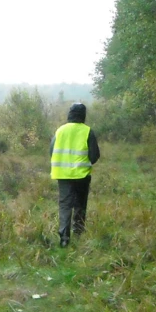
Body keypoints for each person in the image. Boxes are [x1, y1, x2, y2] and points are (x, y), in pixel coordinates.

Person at [50, 103, 100, 247]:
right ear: (83, 115)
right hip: (81, 175)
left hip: (63, 175)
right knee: (80, 205)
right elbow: (94, 155)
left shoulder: (60, 130)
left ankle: (64, 239)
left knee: (65, 205)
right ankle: (78, 234)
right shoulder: (87, 131)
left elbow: (51, 151)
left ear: (69, 114)